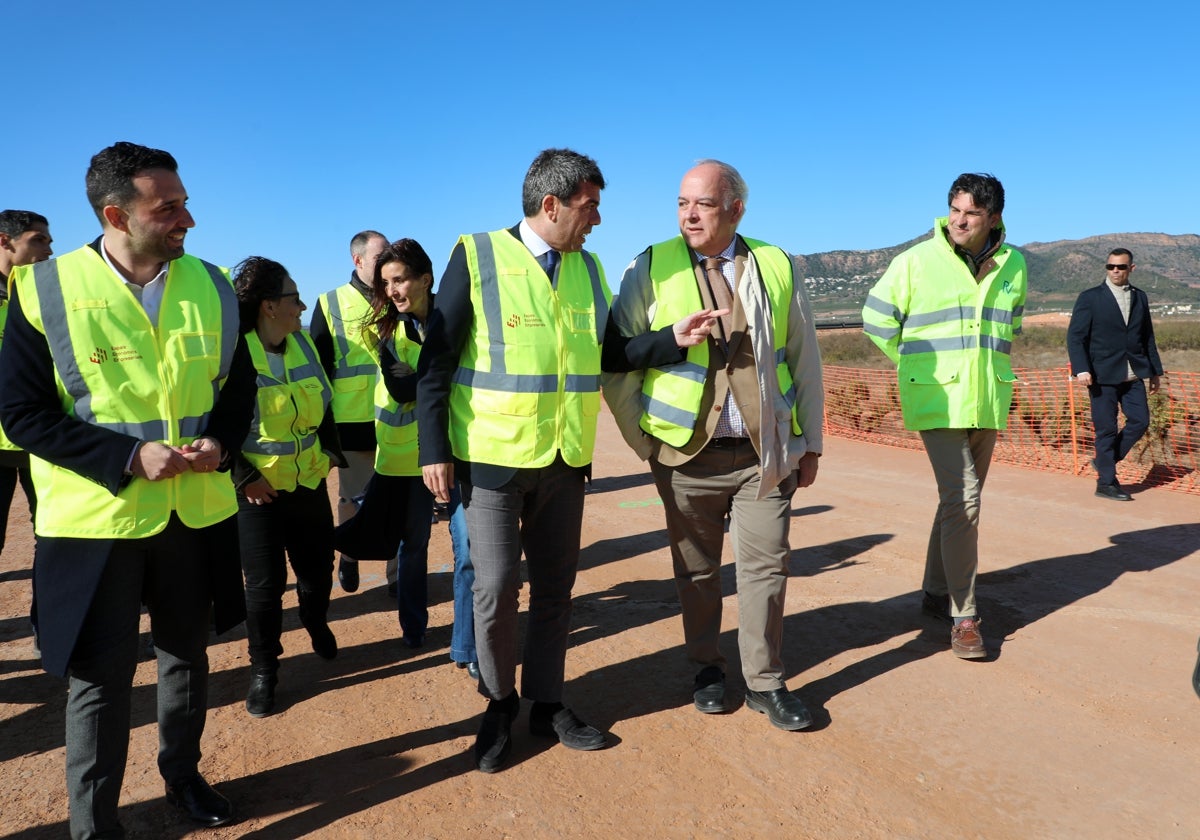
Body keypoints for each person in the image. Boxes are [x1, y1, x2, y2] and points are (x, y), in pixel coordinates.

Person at [0, 142, 255, 836]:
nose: (188, 220)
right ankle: (94, 825)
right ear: (115, 214)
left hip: (192, 516)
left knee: (186, 659)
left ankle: (183, 776)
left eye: (185, 203)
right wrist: (126, 457)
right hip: (96, 524)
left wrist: (222, 442)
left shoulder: (212, 285)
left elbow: (238, 392)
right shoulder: (43, 289)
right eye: (168, 208)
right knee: (99, 684)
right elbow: (22, 414)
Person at [602, 160, 824, 731]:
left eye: (701, 204)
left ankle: (765, 682)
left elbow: (804, 357)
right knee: (696, 575)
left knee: (766, 568)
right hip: (684, 456)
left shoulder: (775, 263)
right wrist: (643, 440)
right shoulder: (650, 265)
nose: (689, 214)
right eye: (681, 203)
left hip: (763, 453)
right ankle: (706, 668)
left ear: (735, 209)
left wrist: (812, 441)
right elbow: (616, 359)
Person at [417, 148, 610, 772]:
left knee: (556, 590)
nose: (597, 220)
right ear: (549, 206)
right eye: (589, 207)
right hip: (492, 462)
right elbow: (437, 361)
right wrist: (434, 449)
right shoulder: (475, 256)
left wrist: (674, 339)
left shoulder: (589, 267)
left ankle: (547, 703)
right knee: (496, 587)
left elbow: (611, 351)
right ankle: (498, 704)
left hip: (564, 457)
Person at [862, 173, 1027, 660]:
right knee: (964, 498)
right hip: (936, 399)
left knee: (956, 503)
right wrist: (916, 367)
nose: (959, 220)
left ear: (992, 218)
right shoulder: (915, 261)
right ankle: (964, 615)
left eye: (972, 213)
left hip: (988, 399)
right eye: (955, 210)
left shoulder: (1015, 264)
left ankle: (935, 592)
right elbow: (875, 318)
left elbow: (1010, 325)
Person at [231, 257, 344, 718]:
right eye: (294, 297)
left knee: (318, 571)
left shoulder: (304, 346)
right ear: (269, 306)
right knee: (264, 586)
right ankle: (264, 671)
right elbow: (213, 424)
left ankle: (314, 620)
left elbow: (325, 403)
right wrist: (243, 476)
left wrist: (331, 452)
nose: (302, 305)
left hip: (308, 482)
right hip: (257, 491)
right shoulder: (236, 353)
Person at [334, 239, 436, 648]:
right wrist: (442, 369)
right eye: (385, 280)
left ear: (424, 280)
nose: (391, 289)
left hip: (453, 452)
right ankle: (414, 627)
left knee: (434, 545)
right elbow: (400, 386)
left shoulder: (450, 318)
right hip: (401, 457)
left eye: (399, 279)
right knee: (410, 541)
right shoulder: (387, 330)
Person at [311, 230, 389, 593]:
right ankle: (350, 554)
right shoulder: (330, 303)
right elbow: (319, 371)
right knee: (353, 499)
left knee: (396, 500)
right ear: (357, 261)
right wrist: (323, 430)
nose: (387, 261)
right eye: (379, 257)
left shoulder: (397, 294)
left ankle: (397, 576)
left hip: (397, 420)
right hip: (352, 420)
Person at [1066, 248, 1163, 501]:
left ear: (1131, 268)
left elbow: (1147, 336)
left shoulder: (1140, 297)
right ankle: (1106, 483)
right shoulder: (1090, 298)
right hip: (1101, 376)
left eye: (1120, 267)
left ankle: (1105, 460)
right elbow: (1076, 337)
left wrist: (1155, 372)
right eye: (1111, 267)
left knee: (1140, 421)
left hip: (1133, 374)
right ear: (1107, 268)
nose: (1115, 271)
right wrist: (1081, 369)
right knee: (1106, 430)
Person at [0, 210, 52, 561]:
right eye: (38, 240)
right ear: (4, 241)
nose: (49, 250)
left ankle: (45, 617)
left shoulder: (44, 295)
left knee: (52, 533)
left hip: (42, 438)